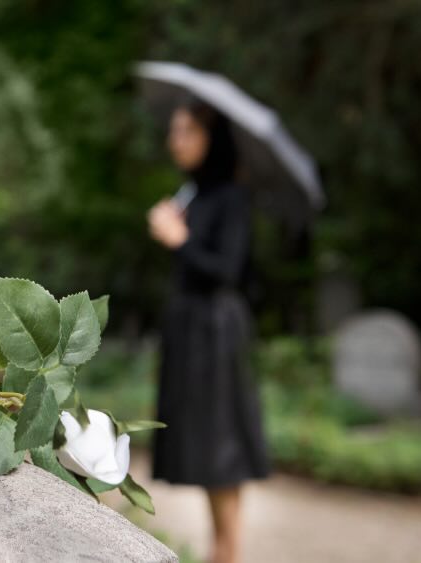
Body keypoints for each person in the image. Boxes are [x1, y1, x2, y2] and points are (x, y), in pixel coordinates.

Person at [147, 99, 270, 563]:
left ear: (211, 139)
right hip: (191, 327)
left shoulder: (231, 196)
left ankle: (228, 551)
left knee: (221, 446)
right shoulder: (193, 194)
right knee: (203, 444)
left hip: (215, 330)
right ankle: (223, 548)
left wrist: (179, 239)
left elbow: (227, 270)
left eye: (186, 132)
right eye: (174, 131)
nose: (174, 141)